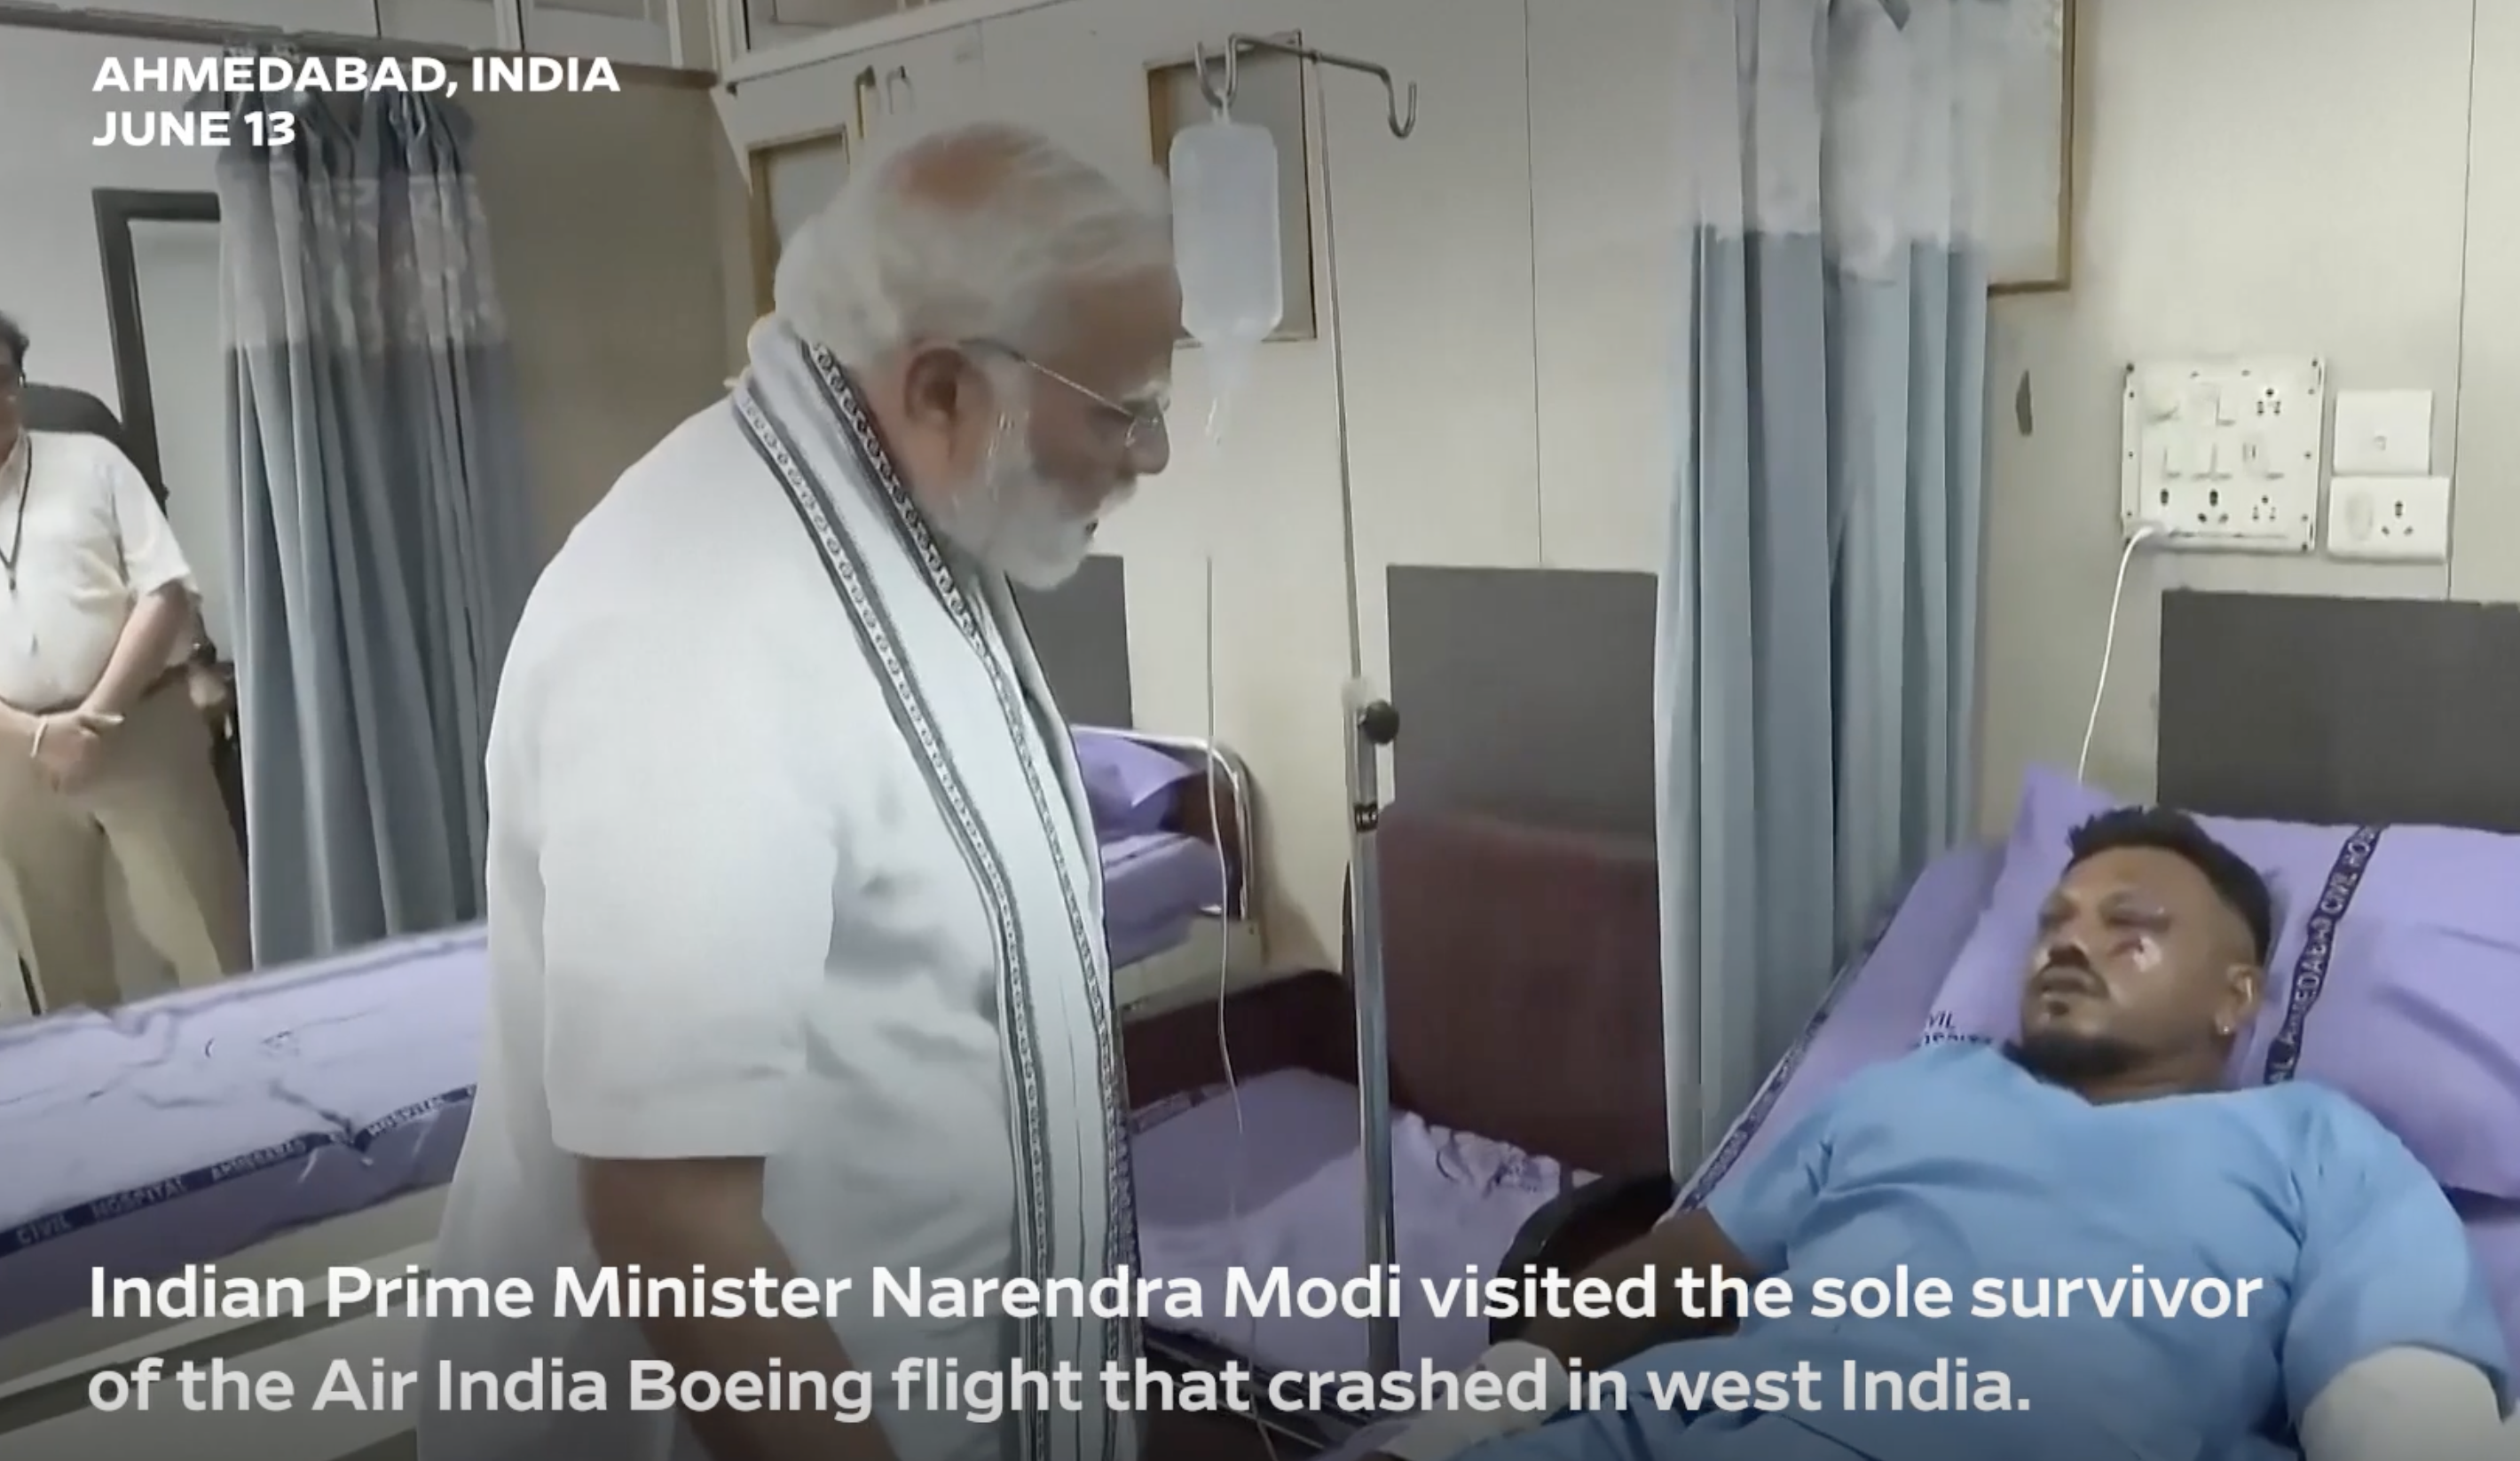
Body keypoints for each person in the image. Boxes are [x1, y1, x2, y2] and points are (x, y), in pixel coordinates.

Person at [418, 121, 1177, 1461]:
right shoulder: (692, 621)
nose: (1152, 454)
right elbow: (672, 1219)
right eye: (1123, 409)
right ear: (941, 388)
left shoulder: (911, 534)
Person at [1382, 808, 2512, 1461]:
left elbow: (2401, 1409)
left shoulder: (2314, 1144)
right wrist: (1485, 1397)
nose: (2066, 944)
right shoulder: (1907, 1089)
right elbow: (1686, 1262)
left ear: (2236, 995)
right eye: (2053, 921)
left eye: (2130, 928)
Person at [0, 312, 248, 1008]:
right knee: (59, 963)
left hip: (139, 723)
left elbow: (164, 589)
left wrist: (94, 720)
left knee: (210, 940)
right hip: (15, 752)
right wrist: (38, 735)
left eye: (3, 378)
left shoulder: (91, 463)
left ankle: (255, 1069)